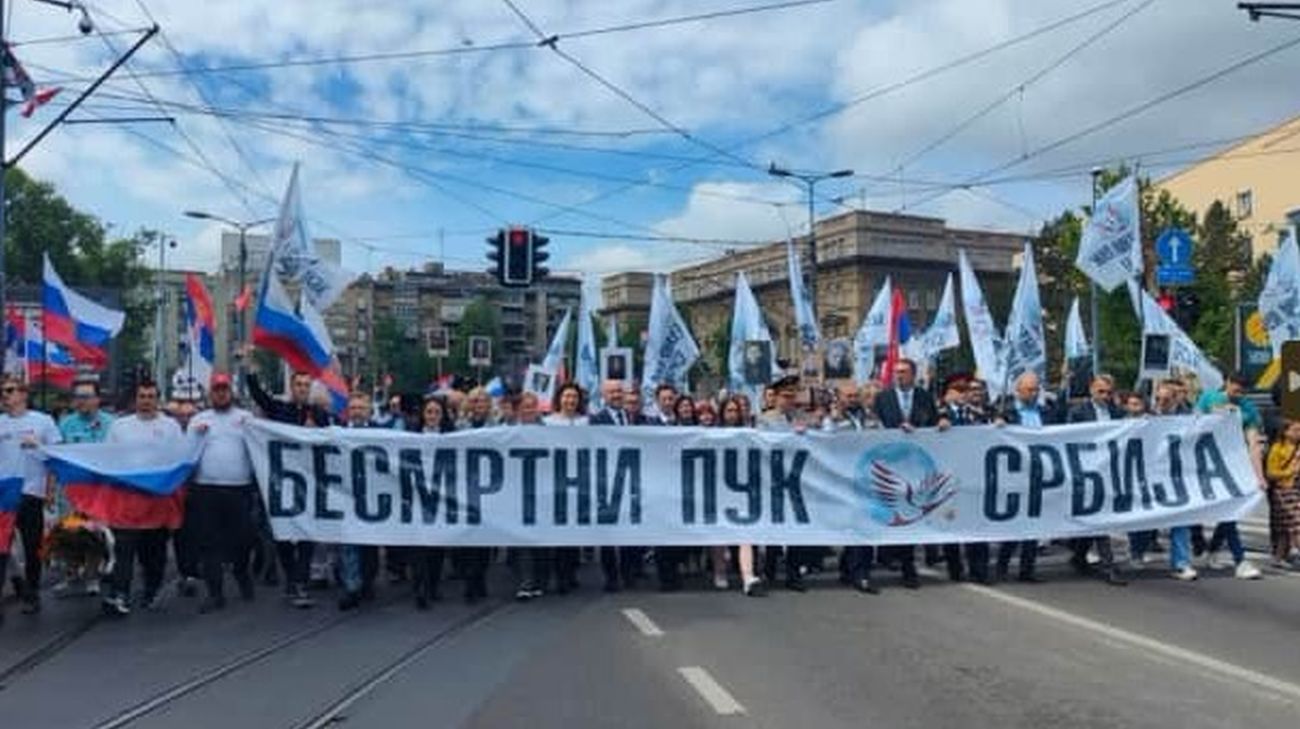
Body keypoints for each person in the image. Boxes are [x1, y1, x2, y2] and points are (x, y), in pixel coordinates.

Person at [247, 363, 331, 603]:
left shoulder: (318, 414)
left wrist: (317, 431)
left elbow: (333, 437)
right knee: (282, 534)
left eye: (306, 385)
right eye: (299, 385)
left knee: (307, 535)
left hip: (309, 483)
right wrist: (250, 371)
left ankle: (300, 582)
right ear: (292, 388)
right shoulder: (280, 409)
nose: (302, 389)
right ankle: (292, 579)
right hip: (282, 482)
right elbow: (260, 397)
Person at [103, 380, 183, 615]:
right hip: (127, 501)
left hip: (157, 503)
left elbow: (179, 458)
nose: (146, 401)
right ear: (135, 399)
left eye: (150, 396)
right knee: (124, 550)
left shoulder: (170, 427)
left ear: (158, 399)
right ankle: (120, 594)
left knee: (153, 553)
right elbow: (107, 457)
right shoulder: (120, 426)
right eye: (142, 396)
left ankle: (152, 589)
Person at [873, 359, 949, 589]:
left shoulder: (924, 397)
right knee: (894, 510)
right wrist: (896, 430)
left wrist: (941, 423)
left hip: (917, 464)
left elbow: (933, 421)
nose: (899, 376)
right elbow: (875, 426)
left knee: (912, 512)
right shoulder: (883, 398)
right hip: (891, 463)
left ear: (913, 375)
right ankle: (891, 556)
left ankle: (908, 566)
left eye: (904, 372)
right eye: (897, 372)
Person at [188, 372, 259, 613]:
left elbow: (260, 448)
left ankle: (241, 572)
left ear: (231, 392)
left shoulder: (246, 418)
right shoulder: (198, 420)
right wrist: (196, 436)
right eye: (217, 390)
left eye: (224, 390)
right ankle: (215, 593)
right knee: (209, 543)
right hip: (206, 489)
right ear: (211, 393)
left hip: (239, 488)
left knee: (243, 540)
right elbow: (187, 453)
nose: (221, 394)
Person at [0, 377, 62, 617]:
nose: (5, 395)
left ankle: (32, 592)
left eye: (9, 390)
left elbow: (56, 455)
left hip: (31, 491)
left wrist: (50, 490)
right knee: (2, 546)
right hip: (5, 494)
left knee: (32, 545)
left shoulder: (43, 421)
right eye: (3, 391)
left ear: (24, 394)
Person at [994, 371, 1061, 583]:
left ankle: (1027, 569)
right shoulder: (1006, 413)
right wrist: (997, 425)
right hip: (1015, 473)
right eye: (1029, 389)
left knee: (1033, 522)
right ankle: (1001, 566)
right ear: (1018, 390)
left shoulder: (1047, 412)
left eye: (1036, 389)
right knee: (1015, 523)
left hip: (1040, 472)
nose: (1033, 393)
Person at [1196, 374, 1264, 579]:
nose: (1239, 392)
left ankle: (1238, 559)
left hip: (1232, 465)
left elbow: (1253, 444)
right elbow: (1193, 425)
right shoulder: (1208, 398)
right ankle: (1207, 546)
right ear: (1228, 383)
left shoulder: (1249, 410)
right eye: (1237, 386)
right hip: (1206, 461)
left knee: (1230, 511)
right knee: (1217, 511)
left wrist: (1259, 475)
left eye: (1243, 389)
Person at [1066, 375, 1128, 586]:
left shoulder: (1117, 412)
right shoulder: (1078, 412)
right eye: (1101, 391)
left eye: (1108, 392)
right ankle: (1109, 566)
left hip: (1109, 470)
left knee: (1095, 517)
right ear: (1092, 389)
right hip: (1087, 470)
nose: (1105, 396)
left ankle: (1078, 556)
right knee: (1099, 517)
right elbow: (1069, 438)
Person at [758, 375, 815, 592]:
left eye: (792, 396)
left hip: (798, 478)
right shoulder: (765, 419)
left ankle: (793, 574)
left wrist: (806, 432)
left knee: (796, 528)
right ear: (776, 397)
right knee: (774, 526)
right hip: (773, 478)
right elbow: (763, 443)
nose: (789, 400)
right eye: (785, 396)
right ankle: (770, 569)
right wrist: (790, 435)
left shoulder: (802, 417)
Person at [590, 381, 642, 592]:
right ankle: (611, 576)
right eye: (612, 392)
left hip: (632, 480)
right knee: (608, 533)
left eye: (619, 391)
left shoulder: (635, 418)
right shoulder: (595, 421)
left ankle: (629, 573)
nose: (617, 395)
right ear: (603, 395)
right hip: (607, 481)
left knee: (630, 530)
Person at [716, 396, 764, 596]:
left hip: (741, 489)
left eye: (736, 410)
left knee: (745, 533)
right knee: (719, 534)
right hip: (718, 488)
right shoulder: (712, 434)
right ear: (722, 413)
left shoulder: (748, 434)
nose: (733, 414)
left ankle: (748, 577)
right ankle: (720, 571)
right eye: (729, 410)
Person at [543, 383, 588, 593]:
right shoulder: (547, 422)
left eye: (574, 397)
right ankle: (560, 574)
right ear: (559, 399)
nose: (570, 400)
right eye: (566, 396)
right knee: (558, 530)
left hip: (579, 481)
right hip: (556, 480)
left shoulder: (586, 422)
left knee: (574, 531)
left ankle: (571, 572)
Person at [338, 392, 381, 610]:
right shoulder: (338, 432)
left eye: (361, 408)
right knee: (349, 542)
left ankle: (368, 581)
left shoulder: (381, 434)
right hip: (346, 494)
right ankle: (352, 587)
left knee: (369, 544)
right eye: (353, 408)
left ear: (369, 411)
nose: (357, 412)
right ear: (348, 411)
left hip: (371, 495)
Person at [410, 394, 453, 609]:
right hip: (417, 496)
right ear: (423, 415)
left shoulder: (452, 438)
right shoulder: (409, 437)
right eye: (429, 412)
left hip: (442, 497)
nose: (433, 416)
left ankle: (433, 584)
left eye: (437, 412)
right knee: (419, 544)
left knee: (437, 545)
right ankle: (420, 587)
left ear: (442, 415)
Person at [455, 387, 497, 602]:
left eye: (483, 401)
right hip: (465, 486)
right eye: (475, 401)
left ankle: (480, 576)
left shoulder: (498, 427)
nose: (479, 404)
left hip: (489, 487)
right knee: (468, 536)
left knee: (485, 538)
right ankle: (470, 579)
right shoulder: (459, 426)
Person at [1265, 418, 1300, 569]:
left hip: (1296, 489)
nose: (1299, 433)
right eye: (1295, 430)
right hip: (1284, 491)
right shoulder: (1277, 449)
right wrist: (1290, 471)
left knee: (1285, 529)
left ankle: (1278, 558)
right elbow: (1271, 473)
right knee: (1296, 524)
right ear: (1285, 432)